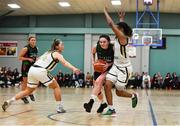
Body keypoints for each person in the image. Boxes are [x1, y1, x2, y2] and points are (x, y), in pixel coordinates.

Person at [2, 39, 80, 113]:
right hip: (40, 70)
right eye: (61, 45)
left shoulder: (47, 52)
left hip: (32, 70)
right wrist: (74, 68)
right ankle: (59, 107)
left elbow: (37, 59)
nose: (63, 46)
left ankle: (9, 101)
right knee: (56, 87)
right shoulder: (57, 54)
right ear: (56, 46)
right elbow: (65, 63)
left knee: (28, 91)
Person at [103, 7, 138, 115]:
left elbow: (110, 24)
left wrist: (105, 11)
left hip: (124, 69)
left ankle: (133, 95)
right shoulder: (120, 36)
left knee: (119, 92)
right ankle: (111, 108)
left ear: (121, 30)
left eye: (118, 28)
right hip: (116, 66)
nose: (116, 29)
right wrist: (121, 18)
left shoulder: (123, 38)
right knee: (107, 85)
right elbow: (120, 26)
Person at [83, 34, 114, 113]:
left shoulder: (113, 47)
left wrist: (109, 64)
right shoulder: (96, 46)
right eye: (100, 42)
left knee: (98, 81)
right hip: (99, 67)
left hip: (109, 68)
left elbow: (116, 60)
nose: (102, 43)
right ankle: (103, 104)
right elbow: (92, 53)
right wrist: (93, 61)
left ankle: (91, 102)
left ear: (108, 42)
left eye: (104, 42)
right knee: (97, 88)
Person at [19, 36, 38, 104]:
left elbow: (35, 57)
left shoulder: (36, 48)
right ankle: (23, 96)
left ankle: (30, 93)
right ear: (29, 41)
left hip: (32, 67)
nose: (33, 41)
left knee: (33, 81)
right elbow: (20, 57)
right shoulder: (26, 48)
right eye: (32, 40)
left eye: (34, 40)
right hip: (25, 66)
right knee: (25, 82)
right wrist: (28, 59)